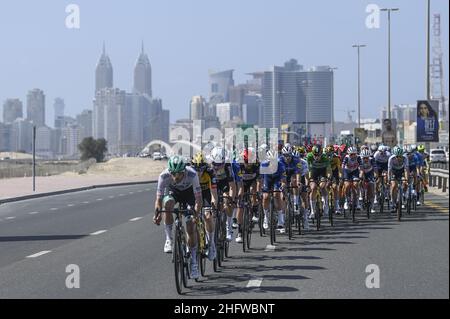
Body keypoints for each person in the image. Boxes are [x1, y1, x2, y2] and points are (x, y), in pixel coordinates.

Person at [153, 155, 203, 279]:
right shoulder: (163, 176)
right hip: (173, 192)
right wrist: (157, 214)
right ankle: (169, 239)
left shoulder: (192, 174)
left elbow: (198, 199)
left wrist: (195, 213)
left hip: (189, 194)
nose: (176, 177)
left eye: (179, 174)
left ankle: (193, 263)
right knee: (167, 203)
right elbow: (158, 200)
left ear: (184, 171)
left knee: (190, 225)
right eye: (173, 174)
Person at [191, 152, 218, 260]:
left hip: (206, 193)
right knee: (192, 218)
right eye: (196, 169)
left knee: (207, 216)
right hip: (194, 194)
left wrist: (213, 206)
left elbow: (214, 193)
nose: (198, 172)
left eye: (201, 169)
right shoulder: (189, 172)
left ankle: (211, 244)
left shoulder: (210, 172)